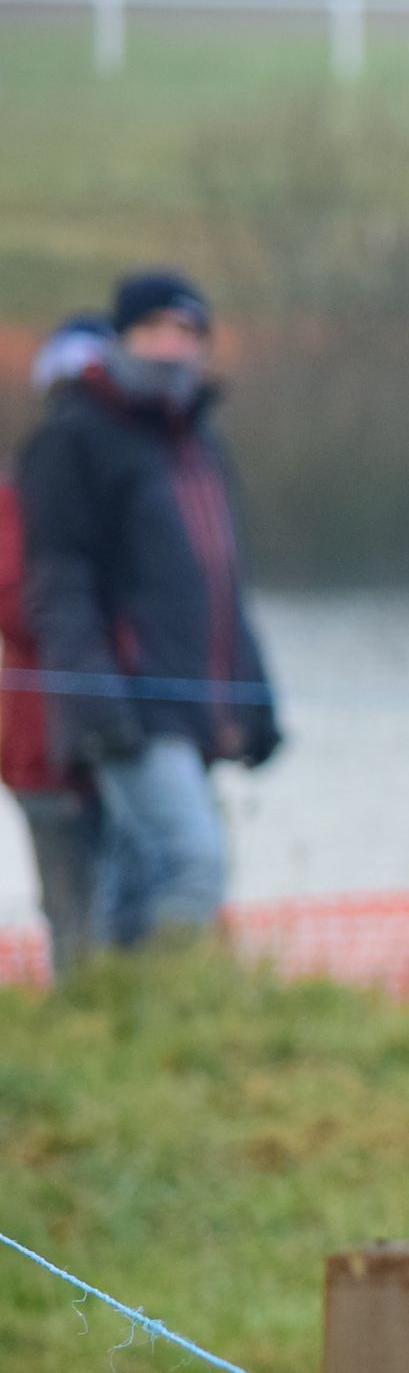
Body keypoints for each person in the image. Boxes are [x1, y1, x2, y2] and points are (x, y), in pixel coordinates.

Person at [19, 269, 284, 951]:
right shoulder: (75, 438)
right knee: (192, 865)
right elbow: (58, 586)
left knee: (136, 874)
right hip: (128, 701)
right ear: (121, 338)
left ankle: (120, 1000)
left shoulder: (199, 442)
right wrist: (95, 703)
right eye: (155, 328)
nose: (172, 345)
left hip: (193, 701)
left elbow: (222, 587)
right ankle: (170, 1000)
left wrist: (253, 701)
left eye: (187, 331)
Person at [2, 313, 116, 977]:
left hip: (136, 743)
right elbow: (17, 605)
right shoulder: (20, 490)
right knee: (76, 919)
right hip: (45, 750)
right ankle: (86, 1021)